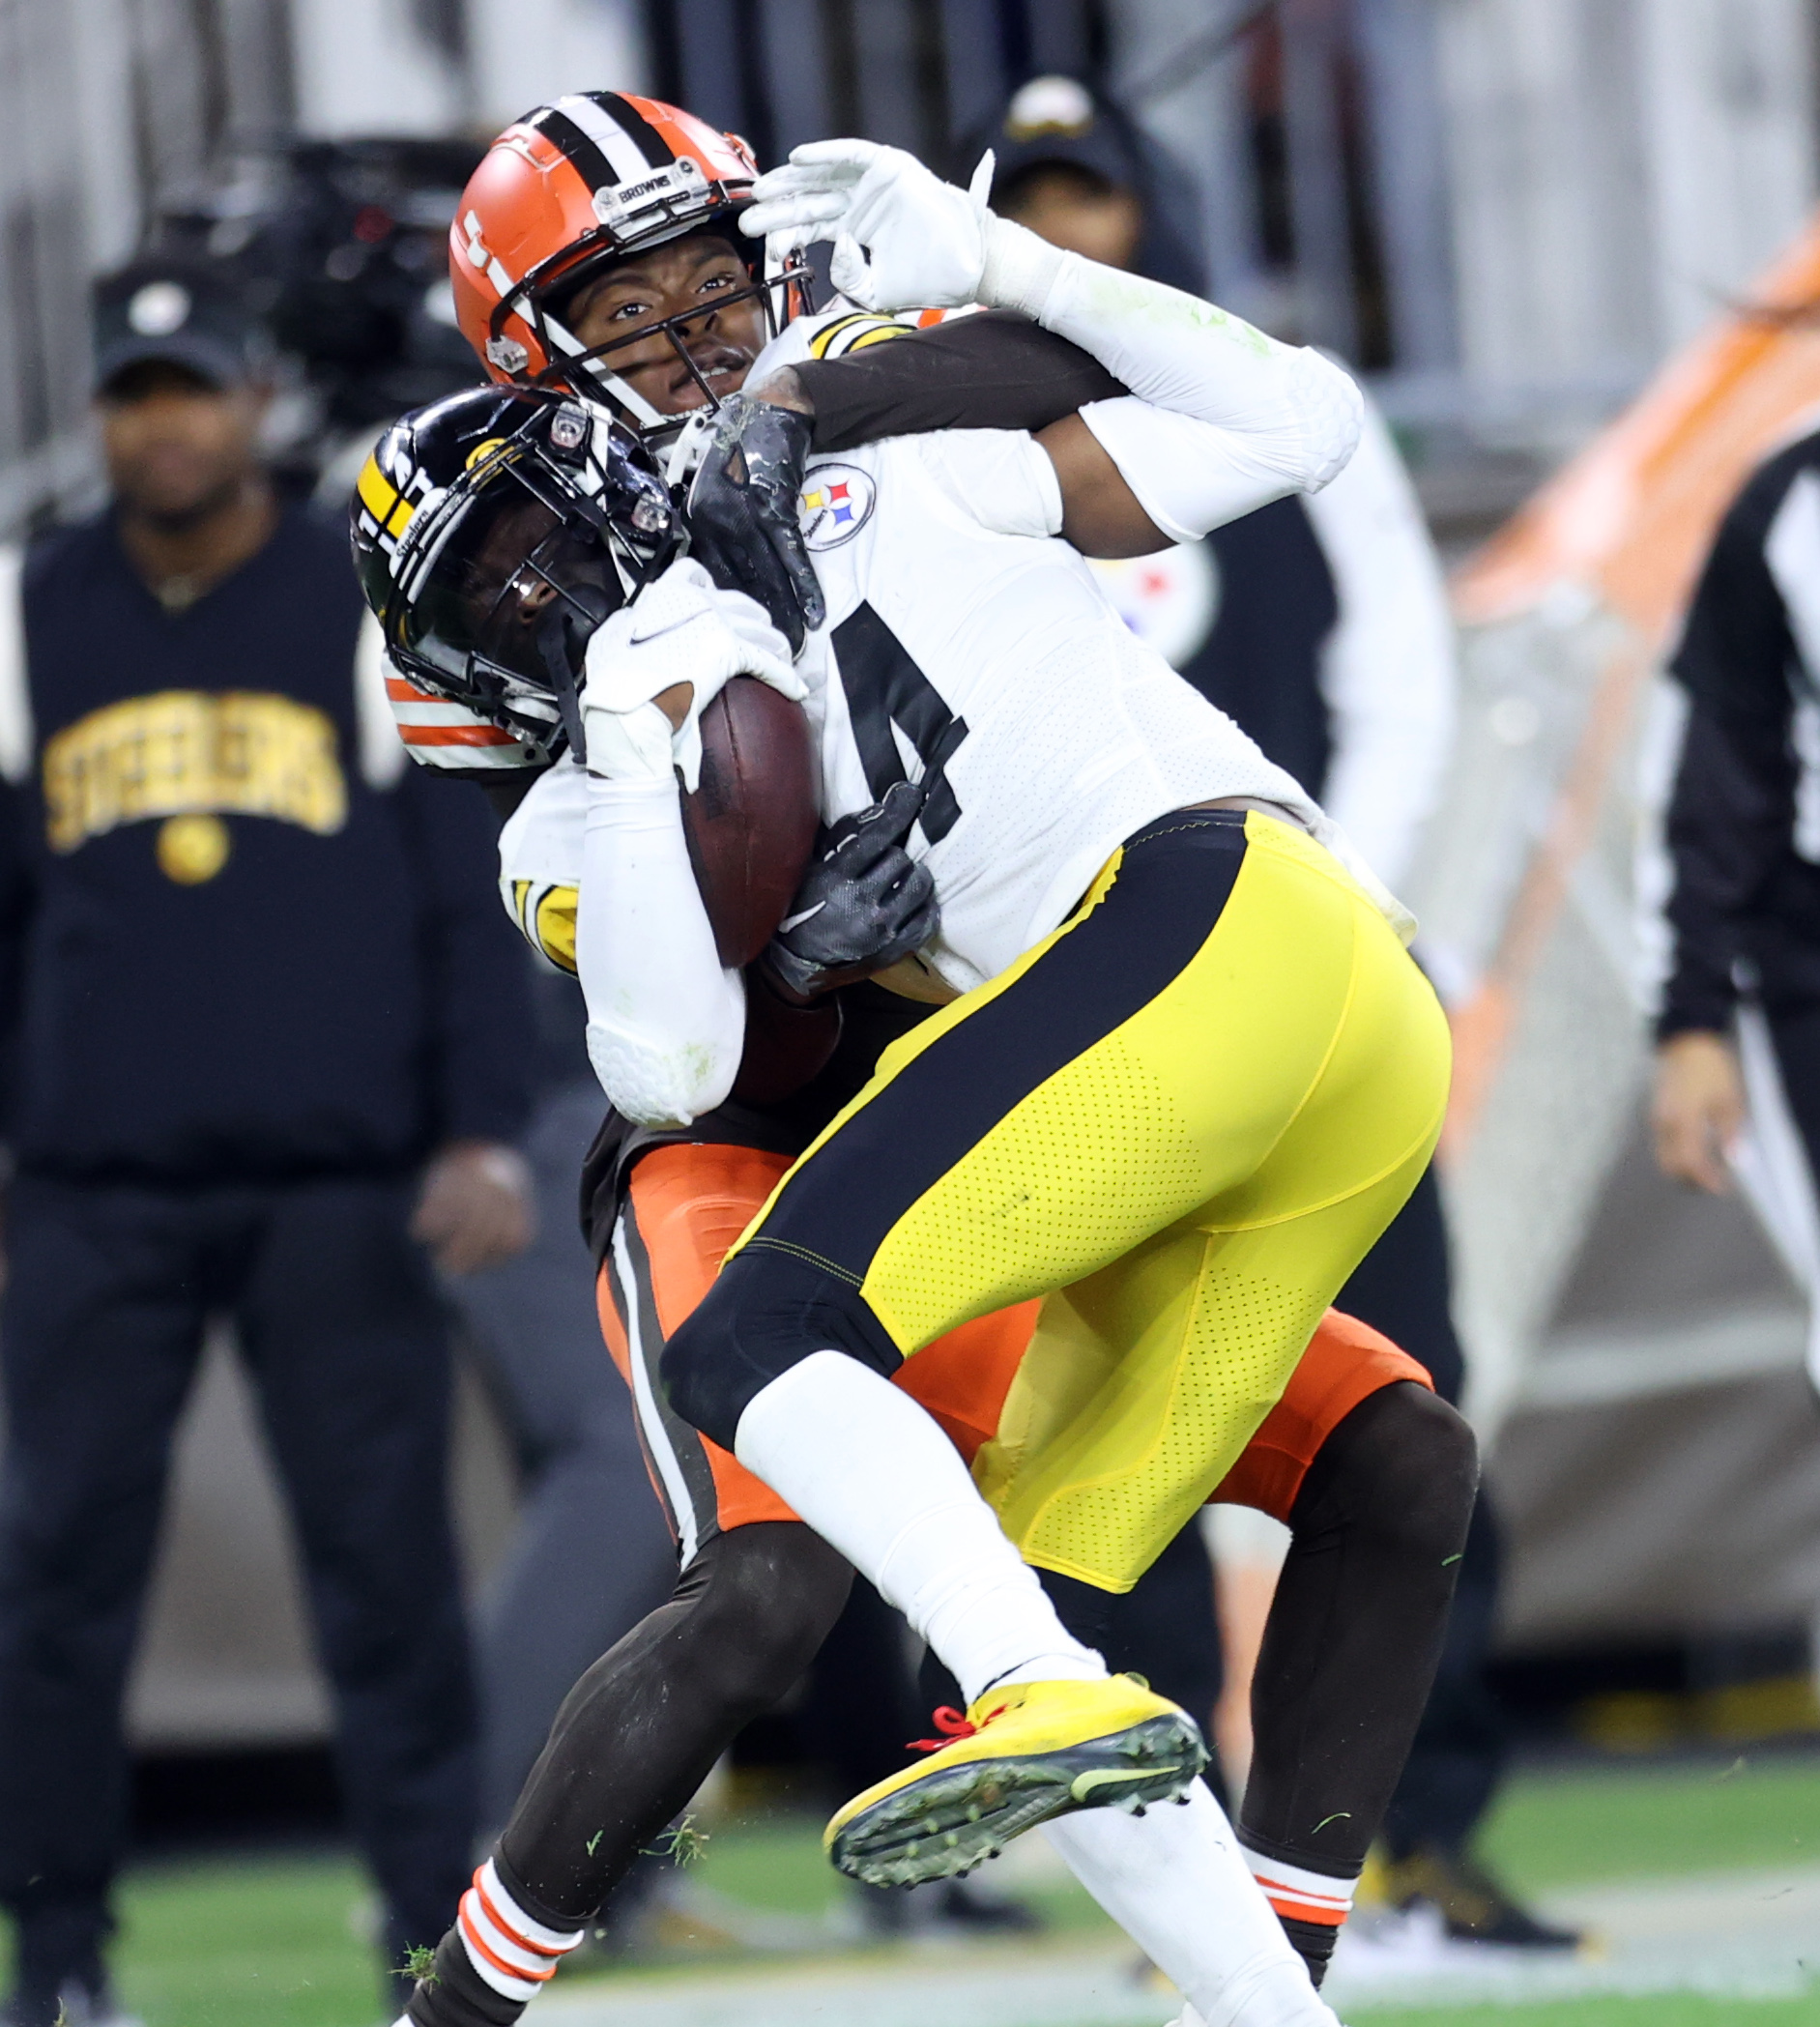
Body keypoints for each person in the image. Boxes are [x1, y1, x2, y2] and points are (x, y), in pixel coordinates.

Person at [363, 94, 1467, 2027]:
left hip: (1026, 1078)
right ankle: (459, 2003)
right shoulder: (581, 725)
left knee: (1374, 1459)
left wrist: (938, 311)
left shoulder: (864, 428)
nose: (695, 328)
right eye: (631, 309)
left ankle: (1269, 1984)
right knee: (773, 1595)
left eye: (713, 278)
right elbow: (688, 1058)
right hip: (772, 1144)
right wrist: (730, 862)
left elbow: (1155, 387)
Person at [980, 75, 1577, 1956]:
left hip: (1297, 990)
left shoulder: (1268, 391)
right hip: (1062, 1021)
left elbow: (1392, 676)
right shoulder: (935, 436)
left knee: (1402, 1382)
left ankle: (1419, 1828)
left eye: (1102, 203)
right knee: (1096, 1415)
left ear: (1154, 215)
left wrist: (1350, 909)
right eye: (1038, 208)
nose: (1076, 243)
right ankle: (1164, 1860)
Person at [0, 256, 538, 2027]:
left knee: (385, 1581)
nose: (163, 422)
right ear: (104, 416)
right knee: (56, 1583)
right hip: (92, 1193)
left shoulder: (357, 599)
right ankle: (61, 1964)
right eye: (135, 390)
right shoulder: (29, 611)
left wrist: (481, 1129)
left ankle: (426, 1962)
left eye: (194, 387)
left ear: (255, 405)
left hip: (340, 1177)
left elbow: (462, 897)